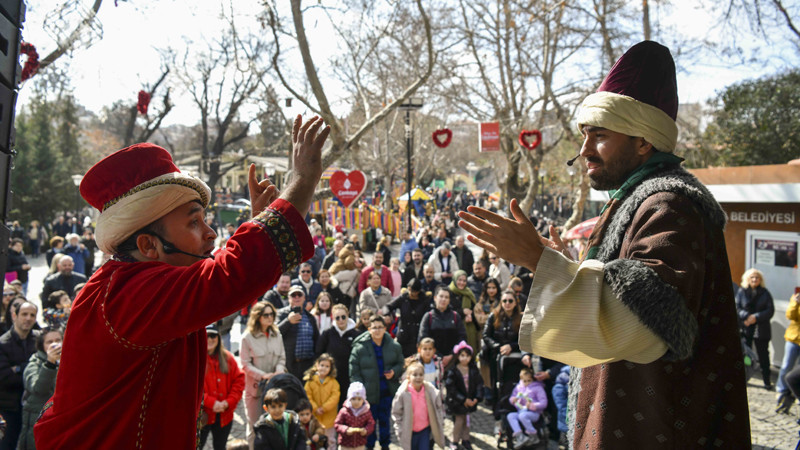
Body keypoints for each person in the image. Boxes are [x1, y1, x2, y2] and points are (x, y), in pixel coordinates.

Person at [458, 41, 750, 446]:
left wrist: (538, 258)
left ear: (644, 140)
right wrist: (562, 264)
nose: (583, 150)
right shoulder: (636, 199)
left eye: (599, 134)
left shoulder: (669, 205)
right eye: (584, 134)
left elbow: (644, 324)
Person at [35, 116, 329, 448]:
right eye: (193, 221)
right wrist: (303, 179)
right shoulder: (130, 293)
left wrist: (260, 224)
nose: (211, 233)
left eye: (204, 218)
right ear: (148, 245)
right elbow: (231, 274)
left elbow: (229, 274)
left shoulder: (122, 283)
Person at [349, 316, 404, 449]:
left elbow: (400, 363)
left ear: (385, 329)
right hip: (368, 394)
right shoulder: (359, 348)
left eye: (380, 327)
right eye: (374, 328)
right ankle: (370, 446)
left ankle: (385, 445)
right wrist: (359, 390)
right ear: (369, 329)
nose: (377, 330)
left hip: (386, 391)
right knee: (369, 424)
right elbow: (354, 370)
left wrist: (394, 372)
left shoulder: (394, 346)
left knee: (385, 422)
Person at [241, 301, 286, 445]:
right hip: (255, 390)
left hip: (274, 388)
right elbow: (245, 364)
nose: (269, 317)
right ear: (258, 317)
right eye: (265, 315)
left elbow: (281, 357)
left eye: (271, 314)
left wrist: (279, 370)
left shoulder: (276, 334)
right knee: (254, 427)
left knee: (273, 426)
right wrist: (263, 375)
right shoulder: (247, 337)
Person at [0, 301, 38, 450]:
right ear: (15, 315)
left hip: (32, 408)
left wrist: (19, 368)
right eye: (24, 314)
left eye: (32, 315)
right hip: (9, 407)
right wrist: (31, 374)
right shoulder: (2, 343)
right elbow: (5, 377)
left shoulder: (39, 340)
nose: (28, 318)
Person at [17, 327, 62, 450]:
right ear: (42, 345)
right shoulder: (34, 364)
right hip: (37, 424)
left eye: (58, 340)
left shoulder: (67, 361)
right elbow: (39, 388)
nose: (55, 344)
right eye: (49, 342)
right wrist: (50, 364)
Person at [201, 325, 245, 450]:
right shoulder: (196, 359)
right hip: (204, 415)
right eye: (207, 336)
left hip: (224, 414)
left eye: (213, 336)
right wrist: (211, 403)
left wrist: (228, 402)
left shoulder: (228, 358)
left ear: (218, 338)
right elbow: (190, 389)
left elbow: (239, 381)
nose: (210, 339)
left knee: (220, 446)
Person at [390, 362, 445, 450]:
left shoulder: (430, 391)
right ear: (408, 377)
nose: (418, 377)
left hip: (424, 430)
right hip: (409, 431)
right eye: (415, 375)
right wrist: (399, 429)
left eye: (421, 374)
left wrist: (440, 421)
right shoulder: (403, 393)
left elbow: (438, 407)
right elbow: (396, 412)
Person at [736, 268, 775, 390]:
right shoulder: (742, 292)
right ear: (747, 279)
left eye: (757, 277)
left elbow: (770, 310)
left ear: (760, 280)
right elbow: (737, 307)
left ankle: (767, 381)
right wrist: (746, 317)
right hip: (746, 328)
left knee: (763, 356)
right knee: (745, 356)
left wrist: (755, 317)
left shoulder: (765, 293)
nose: (754, 279)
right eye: (752, 277)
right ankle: (744, 378)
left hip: (761, 329)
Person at [317, 304, 359, 409]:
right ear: (333, 318)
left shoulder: (355, 334)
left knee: (346, 406)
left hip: (349, 376)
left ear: (347, 316)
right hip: (331, 376)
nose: (341, 320)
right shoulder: (328, 333)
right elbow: (318, 352)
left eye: (343, 317)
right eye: (337, 317)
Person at [443, 341, 483, 450]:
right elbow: (451, 388)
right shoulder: (454, 371)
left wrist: (476, 398)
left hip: (470, 400)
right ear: (458, 356)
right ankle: (455, 440)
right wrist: (462, 399)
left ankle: (466, 439)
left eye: (467, 356)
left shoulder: (473, 370)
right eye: (462, 355)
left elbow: (479, 384)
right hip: (458, 402)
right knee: (459, 421)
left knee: (467, 421)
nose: (465, 358)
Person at [278, 285, 320, 380]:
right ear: (289, 298)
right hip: (288, 365)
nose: (297, 297)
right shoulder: (282, 313)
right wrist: (288, 321)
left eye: (299, 295)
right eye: (293, 295)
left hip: (307, 364)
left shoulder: (310, 317)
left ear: (304, 298)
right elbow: (275, 333)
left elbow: (316, 340)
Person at [383, 278, 433, 357]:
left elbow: (429, 315)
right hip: (404, 333)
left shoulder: (424, 300)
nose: (410, 293)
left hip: (417, 334)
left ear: (418, 292)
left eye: (413, 292)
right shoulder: (403, 298)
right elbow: (387, 306)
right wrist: (386, 315)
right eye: (409, 290)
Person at [418, 286, 466, 368]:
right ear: (435, 298)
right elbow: (423, 338)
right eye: (441, 296)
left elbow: (462, 337)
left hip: (453, 360)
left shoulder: (455, 316)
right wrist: (437, 355)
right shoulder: (428, 316)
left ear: (449, 300)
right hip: (432, 360)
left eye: (446, 297)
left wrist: (452, 354)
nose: (443, 299)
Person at [304, 353, 340, 448]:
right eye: (322, 365)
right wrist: (315, 408)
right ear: (317, 365)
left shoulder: (334, 383)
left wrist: (324, 408)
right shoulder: (310, 382)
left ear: (331, 368)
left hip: (329, 418)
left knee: (330, 440)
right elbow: (307, 396)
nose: (324, 368)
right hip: (315, 418)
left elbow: (335, 397)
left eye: (327, 366)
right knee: (315, 441)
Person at [507, 367, 547, 448]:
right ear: (521, 380)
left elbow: (544, 402)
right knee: (510, 416)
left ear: (533, 379)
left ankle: (533, 437)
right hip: (520, 411)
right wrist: (513, 399)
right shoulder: (519, 387)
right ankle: (520, 437)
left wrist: (533, 405)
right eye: (524, 381)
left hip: (534, 413)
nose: (527, 383)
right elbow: (512, 396)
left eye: (529, 380)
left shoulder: (537, 388)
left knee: (523, 416)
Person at [334, 382, 375, 450]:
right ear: (349, 399)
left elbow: (371, 423)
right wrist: (346, 430)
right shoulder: (344, 411)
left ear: (363, 400)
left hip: (360, 444)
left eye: (359, 399)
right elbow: (337, 424)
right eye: (353, 399)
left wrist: (366, 430)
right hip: (345, 444)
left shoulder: (366, 411)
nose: (356, 402)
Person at [448, 270, 480, 356]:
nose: (462, 283)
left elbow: (474, 309)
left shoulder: (469, 293)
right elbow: (447, 311)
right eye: (459, 280)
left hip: (469, 328)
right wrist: (462, 312)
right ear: (455, 280)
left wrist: (470, 315)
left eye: (464, 280)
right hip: (453, 329)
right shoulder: (448, 292)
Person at [777, 293, 800, 412]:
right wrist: (795, 303)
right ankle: (781, 390)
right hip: (793, 338)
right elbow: (790, 315)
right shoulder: (795, 297)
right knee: (786, 366)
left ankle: (797, 396)